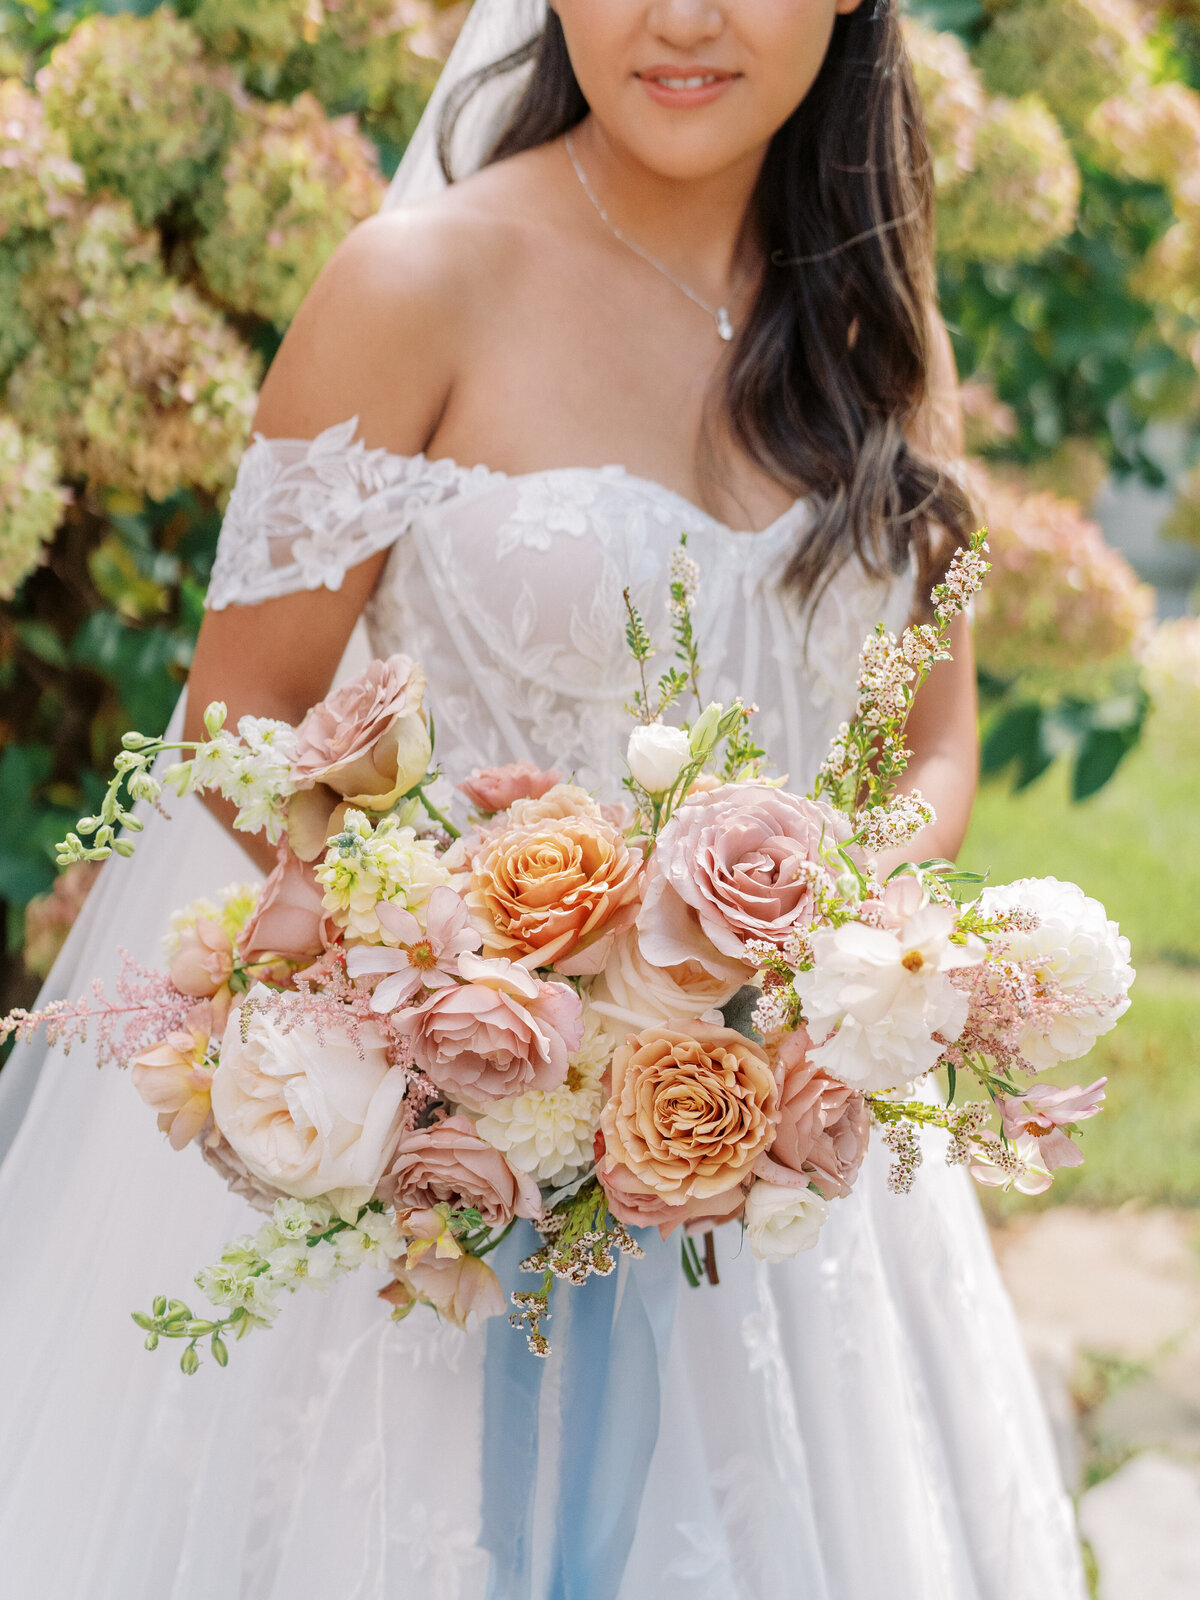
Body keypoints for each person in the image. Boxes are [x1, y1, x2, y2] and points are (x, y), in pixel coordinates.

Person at [0, 3, 1088, 1596]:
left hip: (777, 1187)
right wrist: (464, 980)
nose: (686, 20)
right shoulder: (415, 285)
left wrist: (820, 966)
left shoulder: (873, 327)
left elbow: (933, 747)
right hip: (438, 1171)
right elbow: (247, 705)